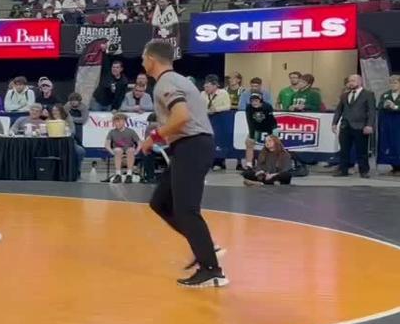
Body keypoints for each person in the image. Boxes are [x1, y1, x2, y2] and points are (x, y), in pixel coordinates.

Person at [138, 40, 227, 288]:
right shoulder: (178, 80)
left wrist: (153, 137)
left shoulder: (166, 83)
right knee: (161, 202)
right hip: (189, 145)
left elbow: (182, 117)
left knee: (186, 209)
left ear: (152, 59)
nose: (142, 62)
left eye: (144, 58)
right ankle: (207, 247)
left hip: (193, 145)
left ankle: (212, 270)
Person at [333, 74, 376, 178]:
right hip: (345, 125)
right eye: (349, 81)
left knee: (362, 150)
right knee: (344, 149)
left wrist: (369, 125)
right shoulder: (344, 95)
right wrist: (334, 123)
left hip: (361, 126)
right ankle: (343, 170)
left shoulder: (368, 94)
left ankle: (364, 171)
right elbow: (339, 110)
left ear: (360, 81)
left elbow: (371, 111)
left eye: (353, 80)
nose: (351, 83)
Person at [240, 93, 277, 171]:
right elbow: (250, 122)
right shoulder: (249, 107)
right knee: (249, 142)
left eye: (256, 100)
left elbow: (271, 121)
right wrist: (252, 136)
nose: (254, 103)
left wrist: (270, 135)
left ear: (261, 101)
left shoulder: (267, 107)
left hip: (269, 127)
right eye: (252, 101)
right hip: (256, 127)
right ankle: (249, 165)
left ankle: (272, 164)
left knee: (272, 145)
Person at [105, 113, 141, 183]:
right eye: (115, 122)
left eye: (119, 121)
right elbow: (107, 144)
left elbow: (139, 143)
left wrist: (137, 151)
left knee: (131, 150)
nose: (117, 123)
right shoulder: (112, 132)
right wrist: (111, 151)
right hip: (118, 150)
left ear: (124, 122)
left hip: (128, 149)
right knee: (118, 150)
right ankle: (118, 174)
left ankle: (129, 174)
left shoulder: (131, 131)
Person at [378, 75, 400, 174]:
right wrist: (384, 105)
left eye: (395, 83)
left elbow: (397, 107)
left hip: (399, 122)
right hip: (388, 123)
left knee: (399, 144)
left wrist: (395, 106)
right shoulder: (385, 95)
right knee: (390, 144)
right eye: (391, 83)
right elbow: (379, 106)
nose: (393, 85)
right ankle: (394, 167)